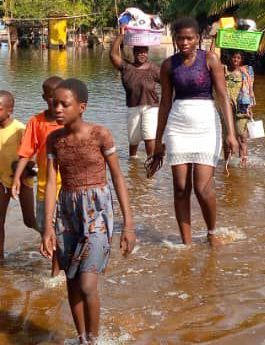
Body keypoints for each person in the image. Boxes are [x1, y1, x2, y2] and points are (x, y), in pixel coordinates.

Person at [41, 78, 135, 345]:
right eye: (54, 103)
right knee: (71, 281)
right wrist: (47, 228)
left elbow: (118, 178)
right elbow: (52, 184)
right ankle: (82, 341)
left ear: (81, 107)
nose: (57, 109)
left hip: (97, 212)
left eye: (64, 104)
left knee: (87, 284)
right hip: (67, 213)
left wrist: (128, 225)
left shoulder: (100, 135)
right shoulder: (54, 140)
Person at [147, 17, 238, 245]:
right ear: (175, 39)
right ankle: (186, 243)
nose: (184, 42)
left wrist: (231, 133)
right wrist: (158, 140)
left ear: (198, 38)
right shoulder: (169, 65)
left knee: (202, 188)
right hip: (178, 128)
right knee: (180, 188)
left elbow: (223, 96)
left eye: (189, 38)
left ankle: (211, 232)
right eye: (180, 38)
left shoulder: (210, 60)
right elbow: (165, 103)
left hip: (206, 126)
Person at [11, 76, 64, 262]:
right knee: (45, 229)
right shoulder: (36, 122)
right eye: (51, 97)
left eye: (60, 97)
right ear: (44, 97)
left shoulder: (69, 121)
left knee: (63, 232)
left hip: (68, 188)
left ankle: (56, 274)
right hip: (44, 187)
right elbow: (26, 152)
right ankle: (57, 271)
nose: (56, 102)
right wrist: (17, 178)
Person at [0, 91, 37, 264]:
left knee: (29, 221)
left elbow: (31, 158)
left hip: (22, 180)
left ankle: (52, 240)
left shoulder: (20, 130)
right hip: (2, 181)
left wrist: (23, 174)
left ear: (9, 110)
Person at [109, 28, 161, 157]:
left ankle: (151, 160)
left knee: (149, 136)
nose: (142, 55)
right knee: (133, 139)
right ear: (134, 53)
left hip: (151, 107)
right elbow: (113, 55)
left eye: (145, 52)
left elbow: (168, 83)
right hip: (133, 107)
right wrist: (121, 34)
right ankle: (133, 161)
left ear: (148, 53)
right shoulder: (127, 67)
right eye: (139, 52)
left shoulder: (154, 69)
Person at [224, 51, 255, 164]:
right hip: (227, 108)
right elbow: (213, 60)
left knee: (242, 136)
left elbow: (249, 90)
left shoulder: (245, 71)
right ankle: (228, 163)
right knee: (227, 137)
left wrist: (250, 108)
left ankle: (243, 162)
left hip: (241, 107)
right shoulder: (224, 69)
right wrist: (214, 40)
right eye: (234, 57)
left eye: (238, 58)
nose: (235, 60)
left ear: (242, 60)